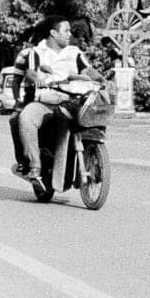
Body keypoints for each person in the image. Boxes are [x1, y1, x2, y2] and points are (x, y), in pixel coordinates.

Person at [12, 16, 102, 182]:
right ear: (53, 33)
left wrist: (101, 79)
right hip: (46, 102)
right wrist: (36, 78)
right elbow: (31, 71)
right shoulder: (36, 52)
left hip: (72, 100)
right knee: (25, 118)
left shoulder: (74, 52)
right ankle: (34, 165)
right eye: (65, 31)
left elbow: (87, 70)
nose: (69, 34)